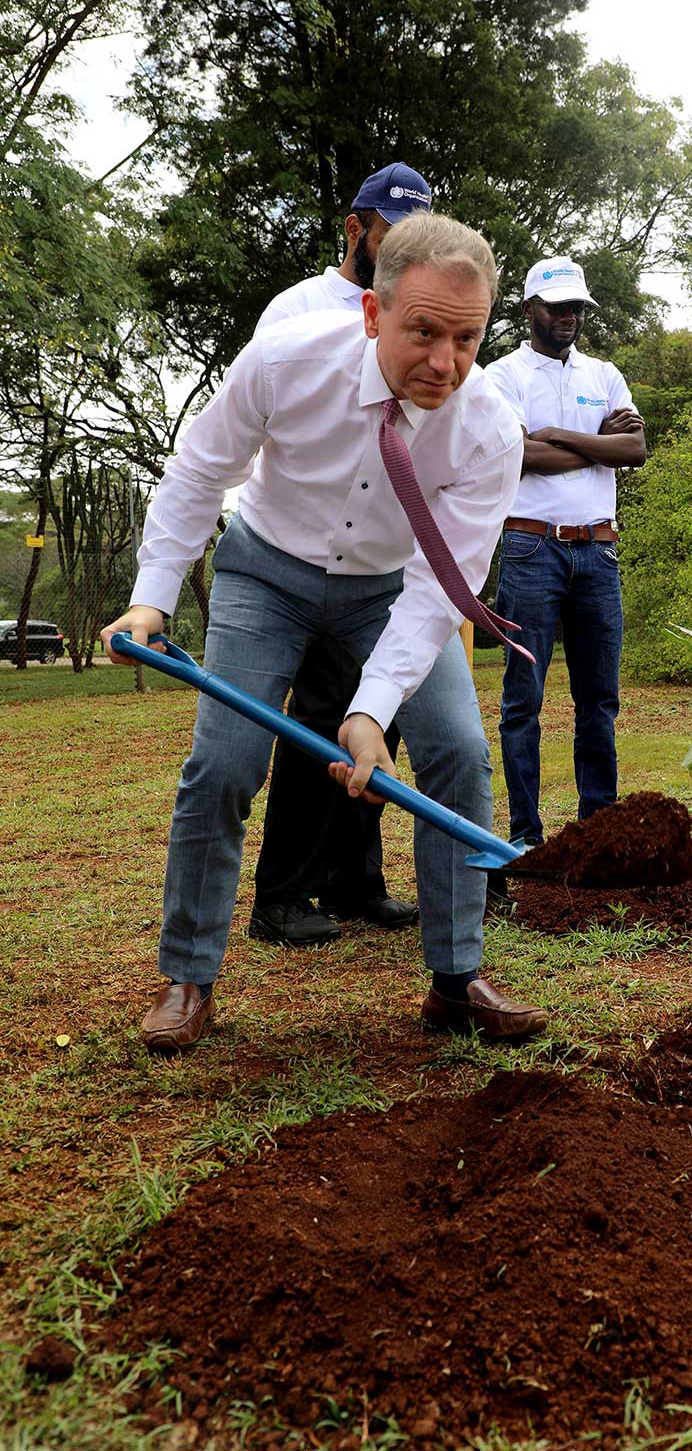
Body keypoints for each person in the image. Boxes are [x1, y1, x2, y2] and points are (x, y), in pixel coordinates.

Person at [102, 212, 549, 1052]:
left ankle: (456, 980)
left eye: (467, 337)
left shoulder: (490, 428)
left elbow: (439, 587)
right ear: (374, 315)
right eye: (422, 332)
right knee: (226, 761)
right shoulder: (287, 356)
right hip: (267, 570)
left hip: (390, 588)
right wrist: (153, 597)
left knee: (457, 749)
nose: (445, 363)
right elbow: (201, 468)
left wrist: (371, 710)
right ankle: (188, 977)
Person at [247, 164, 433, 946]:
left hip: (382, 555)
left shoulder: (418, 306)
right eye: (392, 235)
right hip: (308, 549)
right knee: (319, 724)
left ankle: (358, 883)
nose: (403, 253)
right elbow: (261, 417)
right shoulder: (296, 308)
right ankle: (281, 897)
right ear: (355, 228)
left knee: (374, 724)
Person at [484, 256, 646, 850]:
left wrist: (557, 435)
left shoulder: (604, 373)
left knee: (598, 700)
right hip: (531, 546)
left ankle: (596, 832)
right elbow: (519, 456)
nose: (568, 317)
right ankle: (526, 837)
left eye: (576, 306)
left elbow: (636, 450)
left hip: (598, 552)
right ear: (529, 309)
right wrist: (601, 445)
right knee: (523, 699)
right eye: (556, 306)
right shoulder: (501, 376)